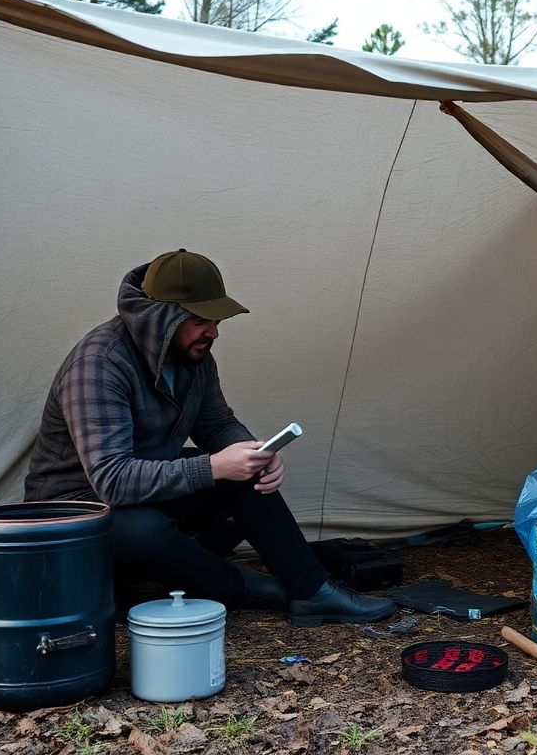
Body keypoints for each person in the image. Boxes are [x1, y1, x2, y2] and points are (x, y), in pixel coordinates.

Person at [25, 249, 395, 626]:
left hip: (146, 491)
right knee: (148, 529)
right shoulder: (100, 364)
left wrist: (256, 452)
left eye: (217, 320)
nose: (214, 332)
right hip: (74, 513)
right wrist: (215, 466)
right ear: (161, 318)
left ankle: (312, 590)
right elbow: (113, 481)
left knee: (245, 474)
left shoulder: (192, 356)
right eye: (201, 320)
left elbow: (216, 424)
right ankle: (240, 587)